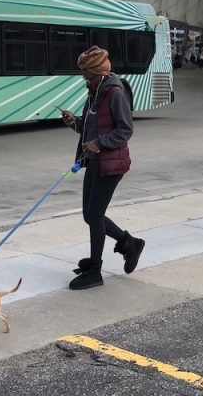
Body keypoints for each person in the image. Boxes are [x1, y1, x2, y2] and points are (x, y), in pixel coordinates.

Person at [60, 46, 144, 290]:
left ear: (100, 73)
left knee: (95, 216)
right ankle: (129, 243)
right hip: (94, 162)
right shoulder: (94, 93)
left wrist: (100, 143)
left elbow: (125, 130)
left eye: (88, 75)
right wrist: (73, 122)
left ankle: (95, 270)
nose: (85, 79)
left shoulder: (114, 93)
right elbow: (90, 128)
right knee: (89, 214)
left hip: (112, 164)